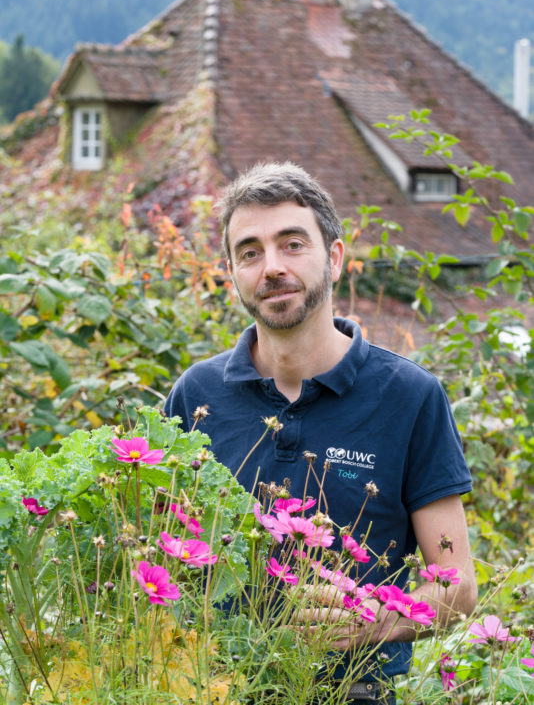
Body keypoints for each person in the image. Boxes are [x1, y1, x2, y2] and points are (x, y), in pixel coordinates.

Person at [164, 161, 477, 704]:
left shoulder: (410, 397)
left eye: (292, 244)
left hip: (353, 692)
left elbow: (459, 586)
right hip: (210, 687)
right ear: (233, 273)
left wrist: (373, 621)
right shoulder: (196, 397)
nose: (271, 268)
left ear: (334, 258)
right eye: (250, 252)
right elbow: (152, 554)